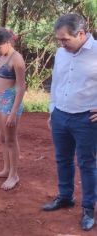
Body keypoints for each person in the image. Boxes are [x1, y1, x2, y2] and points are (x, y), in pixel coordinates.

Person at [42, 13, 97, 231]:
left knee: (87, 163)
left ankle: (88, 207)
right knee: (62, 159)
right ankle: (65, 197)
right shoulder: (61, 53)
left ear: (81, 34)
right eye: (59, 40)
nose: (61, 44)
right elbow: (56, 82)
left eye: (65, 40)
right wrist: (52, 110)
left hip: (86, 119)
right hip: (60, 115)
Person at [0, 27, 26, 191]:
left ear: (8, 42)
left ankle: (14, 175)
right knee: (3, 138)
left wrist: (13, 112)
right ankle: (6, 169)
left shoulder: (17, 59)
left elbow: (21, 87)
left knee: (11, 139)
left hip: (11, 103)